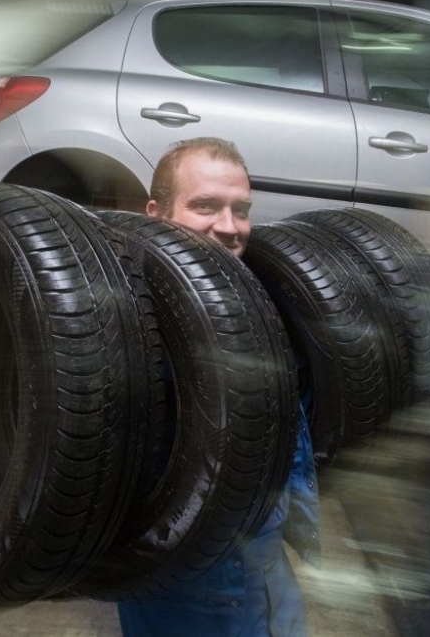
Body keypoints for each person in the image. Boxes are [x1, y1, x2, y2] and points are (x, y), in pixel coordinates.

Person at [116, 137, 321, 636]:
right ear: (156, 213)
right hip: (202, 577)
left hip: (256, 562)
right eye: (205, 206)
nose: (230, 228)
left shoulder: (247, 302)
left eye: (241, 209)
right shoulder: (131, 325)